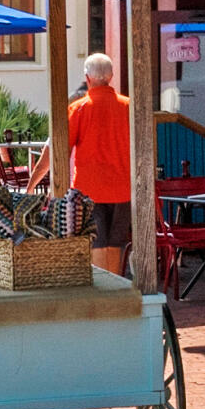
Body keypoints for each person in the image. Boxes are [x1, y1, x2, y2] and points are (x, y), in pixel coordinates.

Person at [61, 51, 134, 277]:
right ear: (111, 77)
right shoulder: (129, 106)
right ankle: (117, 283)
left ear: (88, 77)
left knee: (97, 240)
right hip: (123, 187)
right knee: (117, 240)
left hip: (89, 189)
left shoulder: (79, 109)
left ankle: (105, 287)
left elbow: (63, 149)